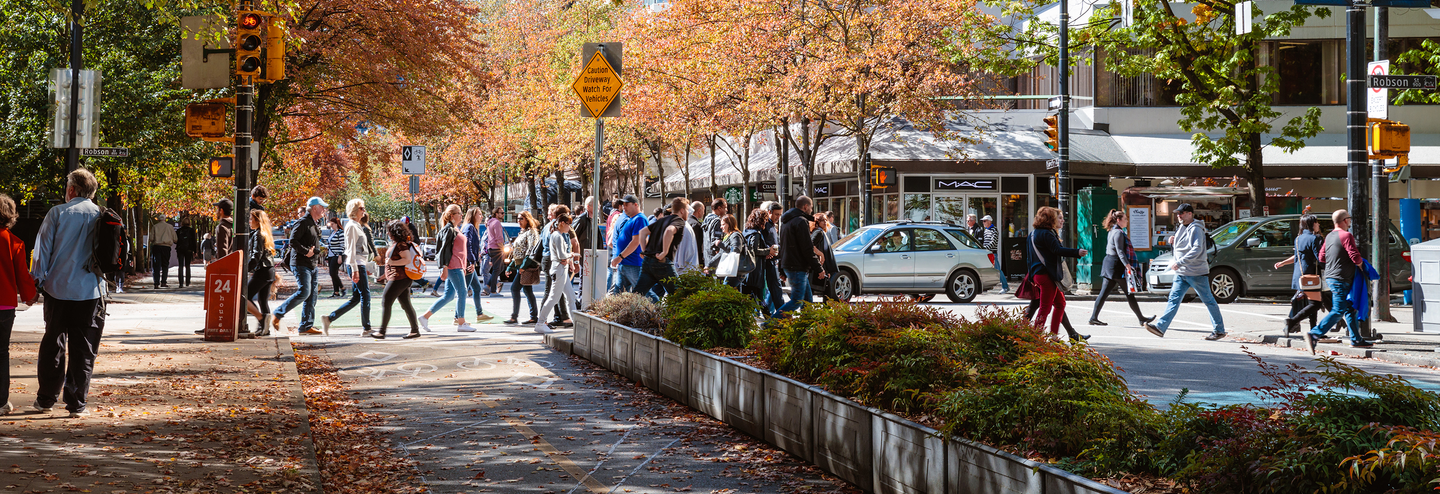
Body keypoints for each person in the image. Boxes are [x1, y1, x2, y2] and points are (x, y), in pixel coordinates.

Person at [29, 168, 106, 417]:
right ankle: (76, 403)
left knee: (53, 343)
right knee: (84, 348)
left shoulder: (58, 213)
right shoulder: (101, 215)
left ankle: (46, 399)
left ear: (72, 189)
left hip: (58, 289)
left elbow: (42, 251)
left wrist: (36, 281)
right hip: (91, 291)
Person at [1144, 203, 1227, 340]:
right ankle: (1160, 327)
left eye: (1181, 213)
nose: (1179, 216)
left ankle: (1219, 330)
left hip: (1196, 272)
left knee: (1209, 301)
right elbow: (1184, 244)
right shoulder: (1182, 227)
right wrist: (1173, 241)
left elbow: (1196, 249)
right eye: (1177, 214)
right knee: (1173, 300)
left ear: (1190, 214)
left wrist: (1180, 262)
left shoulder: (1196, 229)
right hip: (1182, 272)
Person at [1303, 210, 1376, 353]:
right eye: (1349, 218)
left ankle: (1356, 339)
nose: (1350, 221)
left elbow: (1322, 257)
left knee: (1350, 308)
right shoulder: (1346, 235)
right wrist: (1363, 267)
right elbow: (1355, 256)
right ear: (1345, 220)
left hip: (1331, 277)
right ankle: (1314, 334)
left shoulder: (1329, 236)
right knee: (1338, 310)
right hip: (1342, 278)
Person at [419, 204, 483, 332]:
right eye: (459, 213)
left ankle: (424, 317)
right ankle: (461, 323)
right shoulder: (449, 230)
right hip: (453, 266)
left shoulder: (455, 228)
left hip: (458, 265)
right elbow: (443, 251)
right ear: (452, 215)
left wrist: (466, 264)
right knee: (463, 292)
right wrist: (444, 268)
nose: (461, 215)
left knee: (448, 296)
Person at [0, 194, 37, 415]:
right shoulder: (14, 242)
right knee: (2, 352)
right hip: (4, 305)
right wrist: (29, 295)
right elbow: (22, 275)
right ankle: (1, 401)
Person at [1027, 206, 1087, 339]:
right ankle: (1035, 337)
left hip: (1038, 275)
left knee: (1060, 304)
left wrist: (1031, 276)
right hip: (1047, 275)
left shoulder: (1033, 233)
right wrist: (1076, 252)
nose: (1061, 220)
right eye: (1056, 217)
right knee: (1045, 308)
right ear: (1050, 219)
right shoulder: (1047, 233)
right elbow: (1057, 250)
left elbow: (1029, 258)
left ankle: (1054, 336)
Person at [1088, 210, 1154, 327]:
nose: (1127, 221)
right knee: (1129, 293)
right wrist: (1127, 265)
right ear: (1119, 220)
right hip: (1115, 265)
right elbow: (1120, 251)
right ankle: (1141, 319)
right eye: (1125, 219)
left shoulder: (1112, 231)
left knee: (1104, 294)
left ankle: (1093, 317)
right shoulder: (1118, 233)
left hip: (1110, 263)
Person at [271, 197, 327, 335]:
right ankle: (278, 313)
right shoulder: (302, 222)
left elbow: (314, 243)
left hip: (311, 264)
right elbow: (293, 241)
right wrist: (306, 251)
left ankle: (306, 326)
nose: (324, 210)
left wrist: (317, 251)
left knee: (312, 295)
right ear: (314, 208)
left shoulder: (314, 223)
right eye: (322, 207)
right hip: (301, 263)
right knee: (305, 292)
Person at [321, 199, 377, 336]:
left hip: (359, 263)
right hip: (356, 264)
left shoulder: (357, 225)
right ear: (354, 210)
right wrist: (356, 269)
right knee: (365, 296)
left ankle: (329, 318)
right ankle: (367, 328)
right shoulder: (352, 226)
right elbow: (351, 249)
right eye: (361, 208)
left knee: (356, 298)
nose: (364, 210)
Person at [1276, 213, 1327, 336]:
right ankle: (1292, 322)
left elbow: (1299, 256)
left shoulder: (1298, 238)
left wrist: (1283, 263)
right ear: (1311, 224)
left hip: (1300, 275)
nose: (1318, 224)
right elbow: (1320, 258)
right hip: (1311, 275)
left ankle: (1313, 329)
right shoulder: (1315, 238)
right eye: (1316, 222)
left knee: (1313, 302)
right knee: (1315, 303)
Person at [632, 198, 690, 300]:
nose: (688, 212)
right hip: (662, 262)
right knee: (679, 295)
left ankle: (626, 312)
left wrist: (644, 250)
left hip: (648, 261)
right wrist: (664, 252)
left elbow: (643, 232)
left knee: (637, 293)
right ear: (682, 210)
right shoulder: (679, 221)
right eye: (687, 210)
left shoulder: (661, 220)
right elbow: (669, 231)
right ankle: (680, 316)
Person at [776, 196, 825, 315]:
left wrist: (782, 269)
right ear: (806, 206)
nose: (811, 210)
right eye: (811, 207)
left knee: (807, 301)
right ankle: (770, 323)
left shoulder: (786, 222)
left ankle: (806, 328)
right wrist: (819, 268)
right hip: (797, 267)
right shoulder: (801, 222)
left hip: (791, 265)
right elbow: (807, 249)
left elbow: (783, 246)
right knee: (797, 301)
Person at [374, 221, 422, 339]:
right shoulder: (397, 243)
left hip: (399, 278)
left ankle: (382, 331)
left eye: (389, 230)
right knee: (406, 304)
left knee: (386, 301)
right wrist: (384, 276)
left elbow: (406, 259)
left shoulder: (401, 244)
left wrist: (392, 262)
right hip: (399, 277)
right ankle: (415, 330)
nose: (387, 232)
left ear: (394, 232)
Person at [535, 213, 579, 334]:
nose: (570, 227)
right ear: (562, 223)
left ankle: (576, 322)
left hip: (560, 269)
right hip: (558, 269)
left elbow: (561, 255)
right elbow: (561, 255)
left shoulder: (558, 235)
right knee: (554, 298)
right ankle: (540, 322)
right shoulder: (557, 236)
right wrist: (572, 255)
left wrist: (569, 258)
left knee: (570, 297)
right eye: (568, 224)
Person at [458, 207, 497, 323]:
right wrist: (472, 261)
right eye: (479, 214)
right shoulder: (469, 227)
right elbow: (467, 245)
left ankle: (479, 314)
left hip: (470, 263)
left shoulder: (472, 228)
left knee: (476, 288)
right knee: (462, 291)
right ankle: (457, 316)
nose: (481, 216)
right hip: (468, 264)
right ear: (473, 216)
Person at [243, 210, 277, 337]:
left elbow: (256, 256)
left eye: (251, 219)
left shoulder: (258, 235)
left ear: (258, 221)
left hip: (262, 271)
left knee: (245, 297)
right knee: (263, 300)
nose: (249, 222)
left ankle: (261, 320)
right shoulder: (265, 233)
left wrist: (246, 269)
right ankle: (264, 329)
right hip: (269, 271)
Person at [506, 211, 541, 324]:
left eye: (521, 218)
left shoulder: (532, 232)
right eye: (518, 218)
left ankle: (514, 316)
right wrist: (510, 267)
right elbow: (517, 252)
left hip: (526, 266)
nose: (519, 221)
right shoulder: (522, 232)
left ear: (527, 219)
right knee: (527, 290)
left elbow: (531, 250)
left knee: (514, 288)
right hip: (520, 265)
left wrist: (523, 266)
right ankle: (533, 316)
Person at [608, 195, 647, 294]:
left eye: (626, 204)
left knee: (644, 293)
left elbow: (635, 242)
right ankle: (613, 310)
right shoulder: (631, 219)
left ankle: (658, 309)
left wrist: (620, 257)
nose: (624, 207)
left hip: (634, 264)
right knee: (618, 294)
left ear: (635, 205)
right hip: (625, 264)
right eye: (623, 205)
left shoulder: (639, 219)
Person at [742, 209, 774, 308]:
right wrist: (769, 251)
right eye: (764, 219)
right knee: (758, 297)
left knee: (749, 295)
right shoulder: (756, 234)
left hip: (746, 269)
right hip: (755, 270)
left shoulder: (746, 231)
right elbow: (755, 250)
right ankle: (768, 318)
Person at [761, 202, 785, 315]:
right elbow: (761, 242)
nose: (778, 217)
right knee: (774, 290)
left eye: (780, 214)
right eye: (776, 214)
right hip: (767, 262)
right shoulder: (765, 225)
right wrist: (767, 250)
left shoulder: (771, 226)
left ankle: (773, 315)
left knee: (775, 290)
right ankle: (782, 316)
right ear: (769, 212)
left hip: (772, 261)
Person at [712, 215, 747, 288]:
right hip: (733, 271)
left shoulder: (735, 235)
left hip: (735, 271)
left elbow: (736, 250)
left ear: (730, 224)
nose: (721, 227)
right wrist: (709, 264)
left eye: (723, 224)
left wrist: (721, 245)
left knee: (726, 291)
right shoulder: (728, 236)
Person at [810, 210, 838, 300]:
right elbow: (810, 246)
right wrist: (820, 254)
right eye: (822, 220)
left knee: (825, 291)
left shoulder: (821, 232)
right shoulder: (818, 232)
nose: (825, 222)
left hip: (821, 266)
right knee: (827, 292)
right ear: (817, 222)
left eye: (826, 220)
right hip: (818, 267)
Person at [981, 215, 1009, 293]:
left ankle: (1005, 287)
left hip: (992, 253)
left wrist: (985, 248)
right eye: (983, 221)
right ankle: (985, 287)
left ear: (989, 221)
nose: (983, 223)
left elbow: (993, 242)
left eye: (985, 221)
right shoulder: (986, 230)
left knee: (997, 270)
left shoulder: (994, 230)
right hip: (986, 253)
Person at [149, 215, 176, 289]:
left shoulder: (155, 227)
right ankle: (163, 282)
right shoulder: (170, 227)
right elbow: (175, 239)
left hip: (157, 247)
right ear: (165, 219)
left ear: (158, 220)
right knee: (165, 264)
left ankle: (156, 283)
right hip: (166, 247)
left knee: (156, 265)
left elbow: (151, 238)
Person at [484, 207, 506, 295]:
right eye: (501, 213)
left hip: (491, 248)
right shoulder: (496, 222)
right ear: (496, 214)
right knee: (497, 269)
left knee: (500, 268)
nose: (503, 214)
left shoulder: (490, 222)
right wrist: (502, 248)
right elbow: (499, 237)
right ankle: (493, 291)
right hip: (496, 248)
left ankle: (488, 285)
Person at [325, 217, 347, 297]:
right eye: (330, 224)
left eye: (332, 224)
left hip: (337, 255)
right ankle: (336, 292)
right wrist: (327, 256)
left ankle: (342, 288)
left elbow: (342, 245)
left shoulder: (340, 232)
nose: (331, 225)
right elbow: (330, 245)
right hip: (331, 255)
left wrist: (340, 256)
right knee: (333, 273)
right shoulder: (333, 232)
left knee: (333, 273)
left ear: (337, 224)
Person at [703, 199, 727, 263]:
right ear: (719, 208)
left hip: (707, 256)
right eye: (725, 207)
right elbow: (716, 240)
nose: (726, 210)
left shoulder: (706, 219)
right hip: (714, 258)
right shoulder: (717, 221)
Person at [176, 216, 197, 288]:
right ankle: (188, 282)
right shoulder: (191, 230)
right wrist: (195, 251)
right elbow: (194, 241)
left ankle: (181, 283)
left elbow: (176, 241)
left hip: (180, 249)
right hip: (189, 249)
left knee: (180, 265)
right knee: (187, 265)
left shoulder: (179, 231)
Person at [688, 201, 706, 266]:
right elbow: (697, 244)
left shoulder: (687, 221)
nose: (704, 213)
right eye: (703, 210)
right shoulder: (696, 225)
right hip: (694, 259)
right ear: (699, 210)